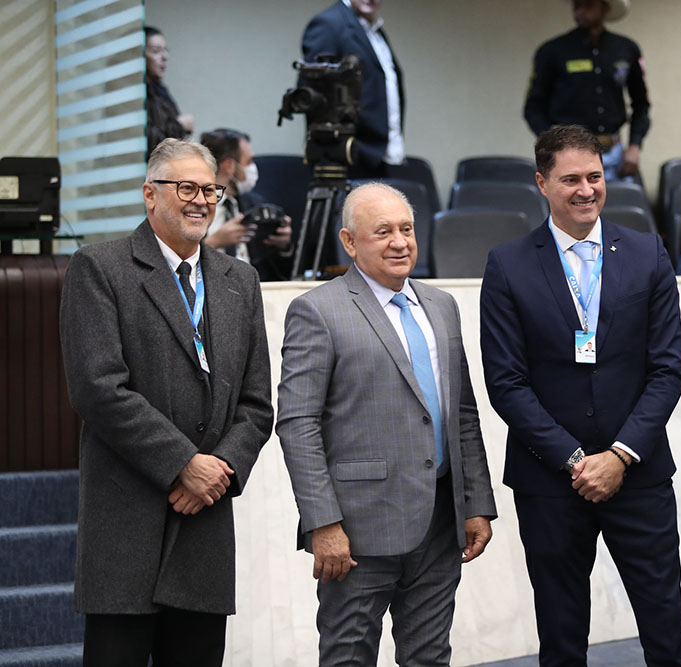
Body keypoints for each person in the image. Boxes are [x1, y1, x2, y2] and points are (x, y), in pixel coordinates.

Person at [480, 125, 681, 665]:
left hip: (639, 474)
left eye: (594, 177)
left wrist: (619, 456)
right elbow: (506, 382)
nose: (585, 190)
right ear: (542, 183)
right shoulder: (508, 264)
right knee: (561, 638)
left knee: (667, 632)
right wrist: (577, 461)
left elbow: (667, 370)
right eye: (570, 179)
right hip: (550, 482)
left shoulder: (647, 253)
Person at [59, 138, 273, 666]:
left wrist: (217, 471)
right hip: (127, 523)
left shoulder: (240, 280)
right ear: (149, 194)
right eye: (186, 188)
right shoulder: (100, 267)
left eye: (210, 190)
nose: (201, 200)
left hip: (205, 522)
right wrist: (183, 464)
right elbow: (98, 388)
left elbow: (256, 404)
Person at [276, 182, 497, 666]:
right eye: (383, 232)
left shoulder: (442, 306)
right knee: (348, 658)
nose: (400, 242)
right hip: (357, 533)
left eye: (407, 229)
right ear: (349, 241)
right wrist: (323, 524)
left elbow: (461, 412)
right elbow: (297, 424)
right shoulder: (318, 310)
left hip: (440, 523)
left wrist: (476, 502)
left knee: (430, 658)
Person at [524, 0, 649, 180]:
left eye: (588, 4)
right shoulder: (552, 50)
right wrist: (553, 147)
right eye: (577, 5)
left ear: (605, 8)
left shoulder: (626, 49)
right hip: (568, 156)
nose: (580, 11)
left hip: (615, 155)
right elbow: (533, 108)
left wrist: (635, 146)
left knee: (626, 198)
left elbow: (641, 104)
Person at [301, 0, 404, 178]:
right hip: (346, 154)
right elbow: (312, 92)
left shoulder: (374, 30)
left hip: (377, 154)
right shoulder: (329, 23)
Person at [199, 128, 293, 280]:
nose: (253, 168)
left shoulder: (255, 204)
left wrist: (284, 247)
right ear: (229, 166)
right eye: (249, 162)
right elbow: (176, 262)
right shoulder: (194, 206)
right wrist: (213, 243)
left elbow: (278, 271)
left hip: (256, 287)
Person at [144, 27, 194, 158]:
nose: (165, 57)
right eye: (156, 51)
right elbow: (149, 142)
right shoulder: (137, 93)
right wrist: (180, 125)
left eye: (165, 50)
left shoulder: (159, 90)